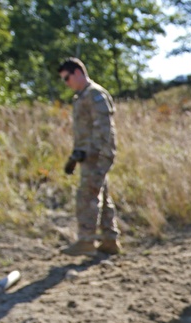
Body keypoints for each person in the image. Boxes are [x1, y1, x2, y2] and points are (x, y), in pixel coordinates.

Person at [58, 58, 121, 256]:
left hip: (97, 156)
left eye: (67, 78)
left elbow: (104, 130)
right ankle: (110, 240)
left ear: (78, 72)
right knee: (101, 194)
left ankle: (86, 241)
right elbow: (85, 132)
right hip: (88, 155)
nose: (66, 83)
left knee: (87, 196)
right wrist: (76, 156)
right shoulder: (82, 96)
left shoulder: (95, 95)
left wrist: (96, 155)